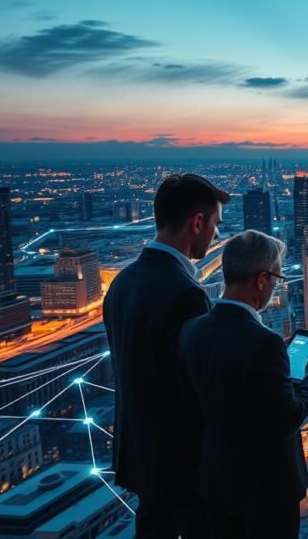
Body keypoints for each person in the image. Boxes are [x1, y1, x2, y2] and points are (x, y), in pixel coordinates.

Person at [178, 230, 308, 539]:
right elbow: (286, 418)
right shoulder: (264, 343)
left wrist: (275, 359)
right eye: (277, 279)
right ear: (262, 280)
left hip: (216, 481)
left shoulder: (193, 328)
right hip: (266, 492)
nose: (276, 286)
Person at [103, 173, 230, 539]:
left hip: (140, 453)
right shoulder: (185, 292)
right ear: (197, 223)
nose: (216, 236)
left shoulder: (122, 283)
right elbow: (198, 384)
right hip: (182, 462)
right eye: (216, 225)